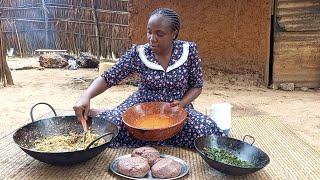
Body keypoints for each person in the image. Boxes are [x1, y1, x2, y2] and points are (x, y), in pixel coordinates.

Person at [73, 8, 224, 148]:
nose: (152, 38)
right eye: (149, 32)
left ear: (174, 34)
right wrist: (86, 96)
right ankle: (105, 113)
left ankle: (106, 112)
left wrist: (183, 104)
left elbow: (197, 85)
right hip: (141, 107)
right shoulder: (139, 53)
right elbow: (108, 77)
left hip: (175, 108)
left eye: (160, 34)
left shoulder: (188, 51)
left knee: (206, 131)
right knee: (110, 128)